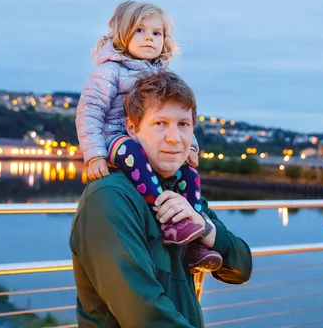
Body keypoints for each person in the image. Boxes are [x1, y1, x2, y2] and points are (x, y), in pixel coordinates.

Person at [70, 72, 252, 327]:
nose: (174, 138)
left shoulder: (181, 191)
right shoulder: (109, 199)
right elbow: (145, 314)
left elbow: (241, 267)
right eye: (160, 123)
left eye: (183, 124)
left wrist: (203, 226)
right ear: (132, 128)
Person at [76, 0, 220, 270]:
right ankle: (167, 217)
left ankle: (194, 236)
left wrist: (190, 148)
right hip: (115, 140)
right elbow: (90, 113)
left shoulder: (163, 75)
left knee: (188, 173)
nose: (149, 39)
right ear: (123, 33)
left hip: (145, 145)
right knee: (131, 150)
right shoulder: (109, 72)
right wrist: (94, 153)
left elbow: (179, 116)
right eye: (140, 31)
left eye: (157, 33)